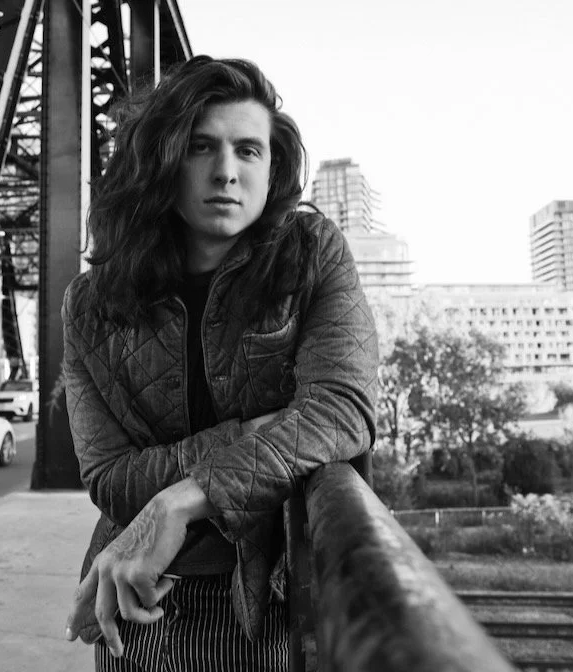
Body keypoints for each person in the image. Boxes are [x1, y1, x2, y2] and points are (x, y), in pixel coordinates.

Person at [60, 55, 379, 671]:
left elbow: (344, 412)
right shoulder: (91, 305)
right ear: (162, 160)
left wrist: (183, 498)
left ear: (271, 168)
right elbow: (110, 479)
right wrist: (255, 432)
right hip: (136, 601)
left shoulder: (311, 254)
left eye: (248, 150)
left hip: (270, 601)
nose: (226, 171)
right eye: (200, 147)